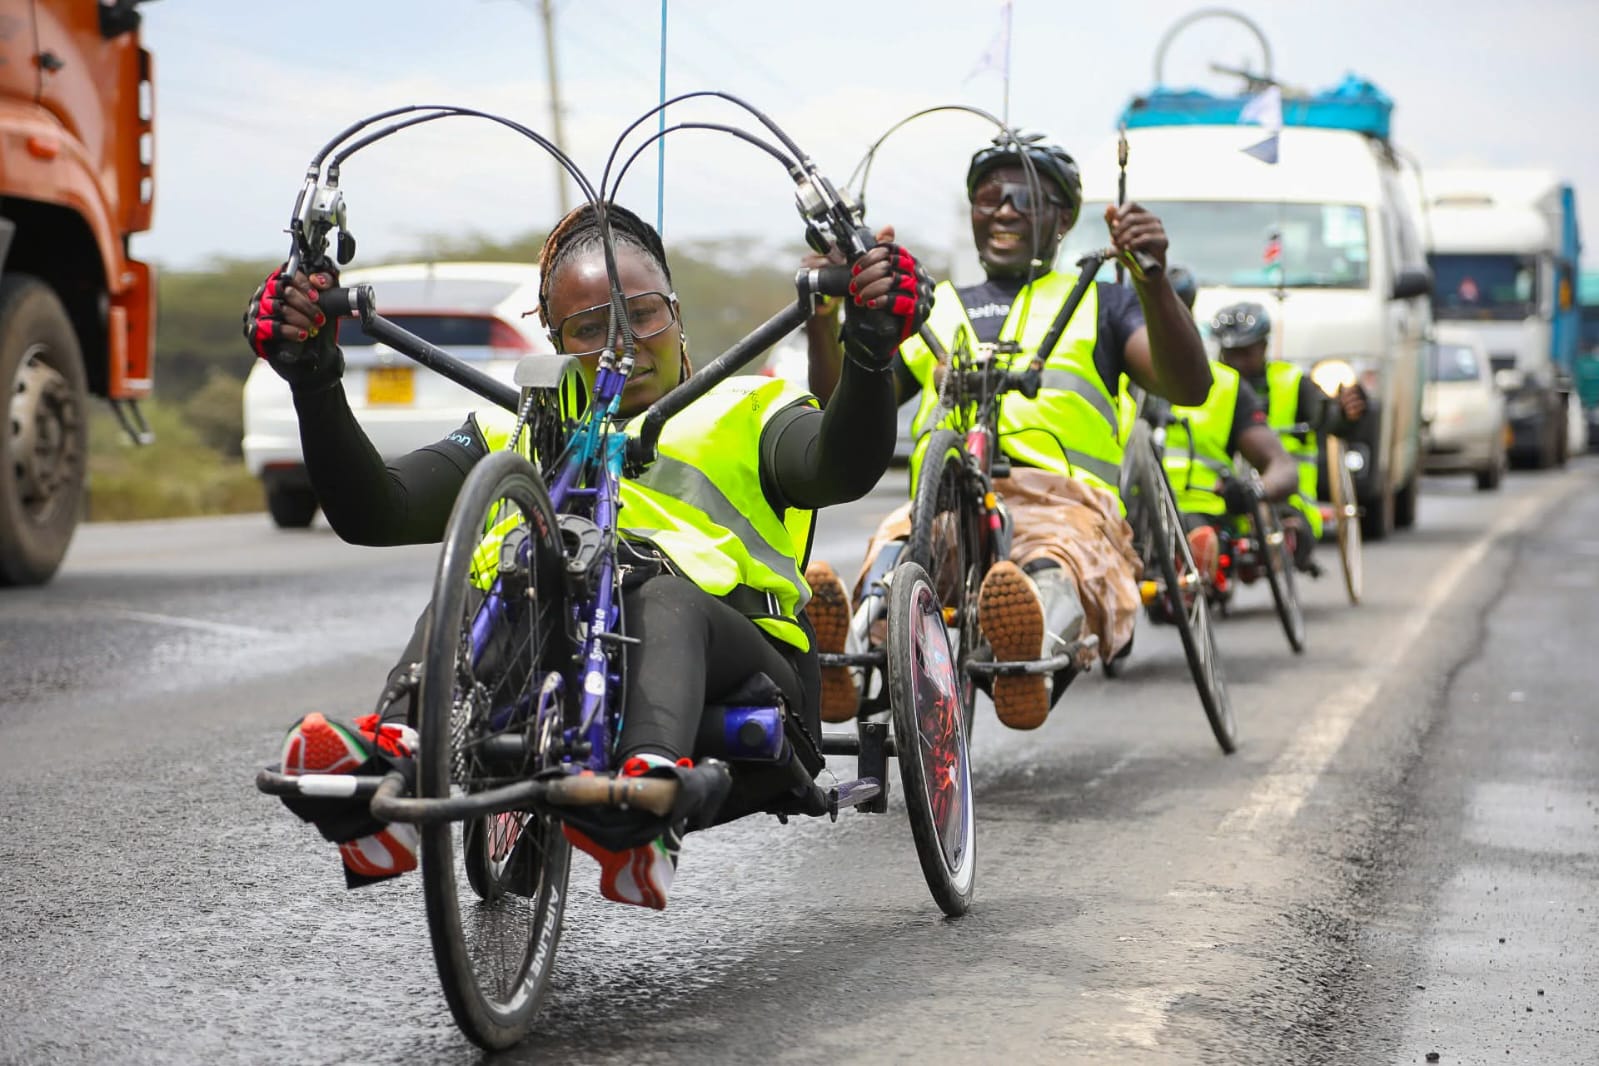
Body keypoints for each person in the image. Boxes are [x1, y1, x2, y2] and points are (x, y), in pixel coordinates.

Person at [244, 201, 933, 909]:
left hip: (736, 667)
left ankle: (643, 798)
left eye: (641, 314)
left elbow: (840, 468)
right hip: (565, 662)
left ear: (675, 311)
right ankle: (389, 775)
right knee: (478, 588)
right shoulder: (512, 426)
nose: (622, 345)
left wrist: (870, 353)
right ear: (552, 339)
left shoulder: (746, 409)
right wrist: (315, 379)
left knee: (659, 593)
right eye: (587, 328)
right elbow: (372, 513)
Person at [802, 135, 1213, 731]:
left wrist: (1151, 282)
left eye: (1025, 198)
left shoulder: (1105, 301)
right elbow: (836, 407)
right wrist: (830, 318)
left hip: (1062, 502)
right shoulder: (931, 307)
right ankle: (854, 661)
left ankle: (1030, 648)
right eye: (987, 198)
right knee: (896, 557)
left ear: (1065, 217)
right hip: (940, 505)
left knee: (1056, 561)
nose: (1004, 210)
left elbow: (1189, 385)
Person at [1208, 301, 1368, 570]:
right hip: (1223, 500)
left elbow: (1329, 420)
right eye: (1230, 354)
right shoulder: (1212, 383)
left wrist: (1347, 413)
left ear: (1263, 348)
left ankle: (1282, 540)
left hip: (1287, 500)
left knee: (1292, 528)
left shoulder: (1293, 382)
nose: (1237, 363)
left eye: (1246, 353)